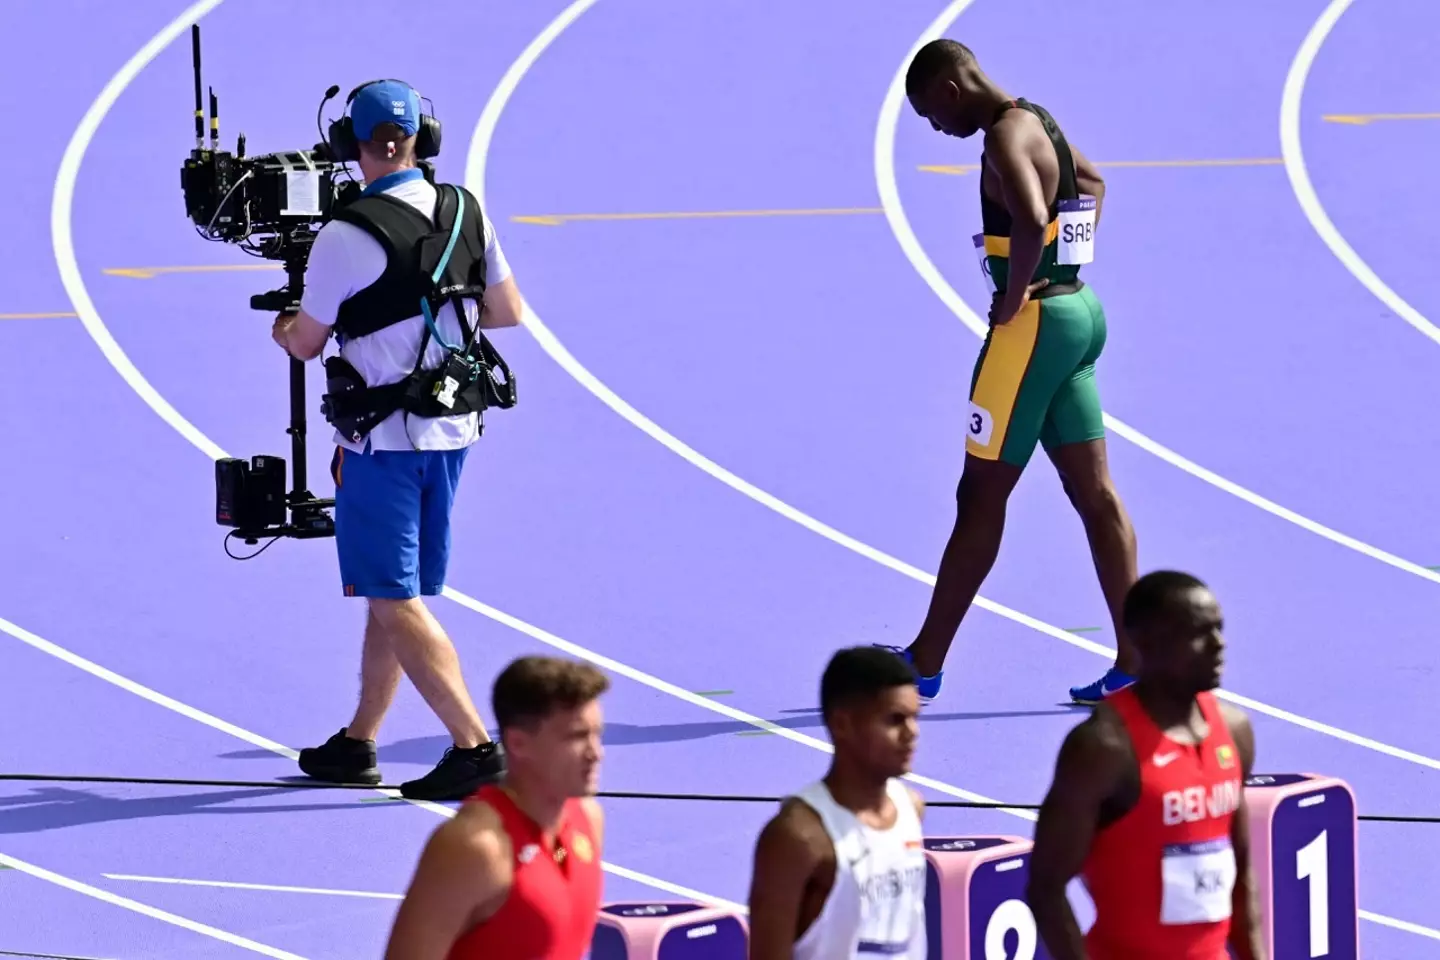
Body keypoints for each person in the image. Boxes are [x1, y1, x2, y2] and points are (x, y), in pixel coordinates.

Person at [272, 78, 526, 800]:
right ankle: (360, 741)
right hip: (454, 429)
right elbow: (506, 312)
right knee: (396, 591)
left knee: (393, 594)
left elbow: (306, 342)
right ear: (425, 140)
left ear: (348, 147)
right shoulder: (464, 210)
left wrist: (284, 323)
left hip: (383, 442)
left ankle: (474, 747)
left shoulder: (345, 234)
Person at [879, 39, 1141, 705]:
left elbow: (1028, 215)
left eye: (931, 117)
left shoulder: (1000, 139)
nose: (937, 130)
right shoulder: (1039, 120)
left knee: (980, 494)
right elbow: (1096, 181)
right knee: (1096, 494)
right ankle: (1137, 662)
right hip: (1079, 313)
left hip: (1032, 333)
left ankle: (925, 663)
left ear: (950, 91)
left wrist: (1018, 290)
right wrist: (1064, 266)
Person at [1025, 571, 1264, 960]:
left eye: (1219, 629)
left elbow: (1240, 871)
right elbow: (1045, 887)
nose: (1218, 645)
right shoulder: (1103, 747)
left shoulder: (1235, 732)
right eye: (1198, 633)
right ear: (1145, 641)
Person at [382, 655, 608, 960]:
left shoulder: (588, 819)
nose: (596, 754)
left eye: (597, 735)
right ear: (518, 743)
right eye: (577, 737)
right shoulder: (476, 848)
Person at [747, 646, 927, 960]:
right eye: (895, 720)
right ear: (843, 724)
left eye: (914, 718)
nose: (911, 733)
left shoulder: (911, 808)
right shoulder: (799, 838)